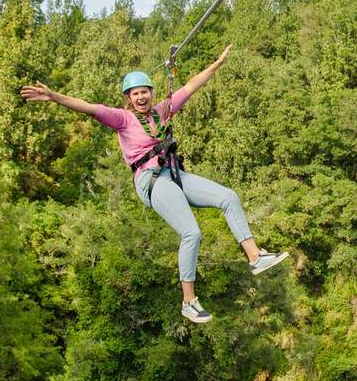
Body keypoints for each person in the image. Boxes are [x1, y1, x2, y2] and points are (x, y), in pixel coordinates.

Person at [19, 45, 288, 324]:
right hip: (151, 180)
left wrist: (216, 64)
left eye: (144, 91)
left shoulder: (163, 110)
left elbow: (191, 86)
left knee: (229, 197)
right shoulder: (122, 119)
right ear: (128, 98)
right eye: (135, 93)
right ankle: (188, 301)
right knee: (191, 233)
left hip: (174, 174)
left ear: (151, 93)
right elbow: (87, 106)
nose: (141, 96)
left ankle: (255, 257)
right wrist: (54, 97)